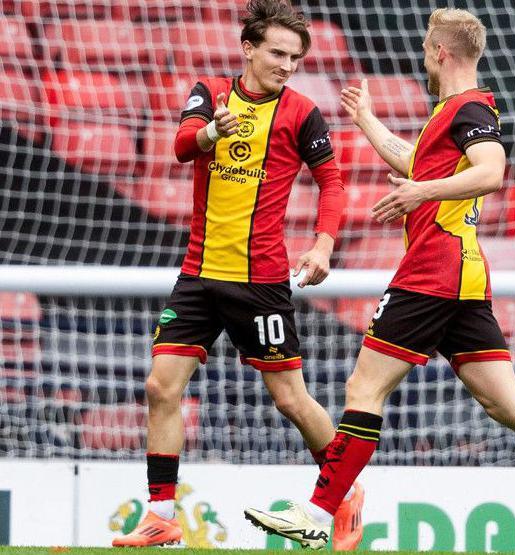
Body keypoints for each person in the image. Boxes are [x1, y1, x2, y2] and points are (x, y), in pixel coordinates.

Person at [243, 8, 515, 553]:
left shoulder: (470, 109)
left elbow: (492, 170)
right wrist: (368, 122)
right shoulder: (450, 113)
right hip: (463, 278)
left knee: (364, 388)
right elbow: (417, 163)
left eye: (426, 49)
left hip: (430, 274)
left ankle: (318, 512)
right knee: (506, 401)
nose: (423, 58)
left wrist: (421, 194)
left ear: (439, 53)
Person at [112, 0, 363, 549]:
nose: (287, 64)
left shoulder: (302, 113)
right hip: (199, 274)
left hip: (261, 281)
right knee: (160, 386)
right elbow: (181, 146)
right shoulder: (209, 94)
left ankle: (345, 493)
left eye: (295, 56)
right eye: (277, 52)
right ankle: (160, 514)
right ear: (248, 48)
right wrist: (209, 136)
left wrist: (323, 245)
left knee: (292, 401)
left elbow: (334, 184)